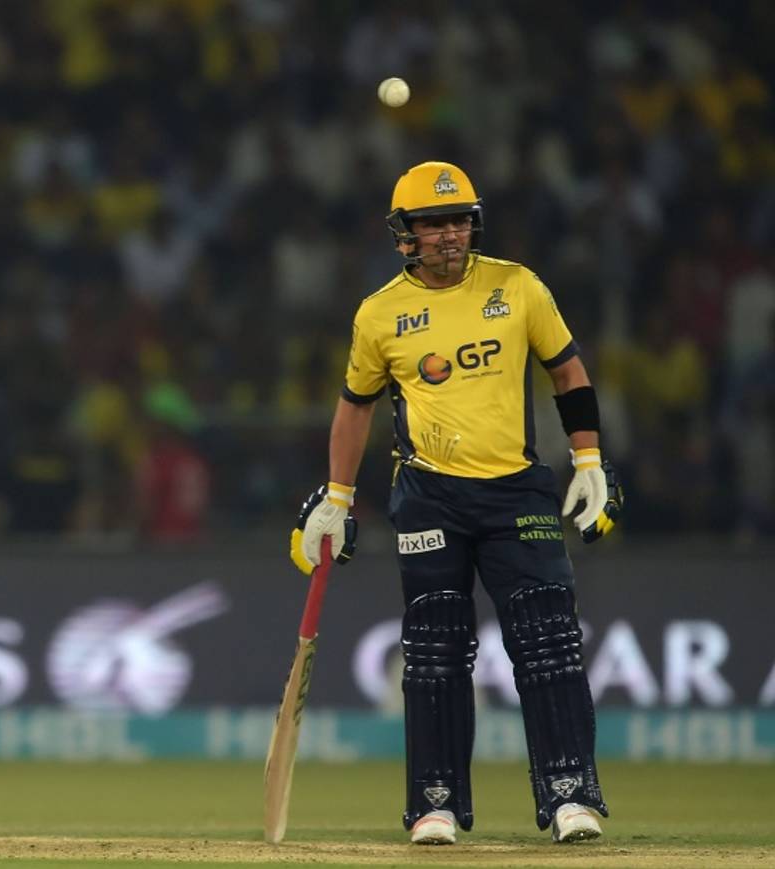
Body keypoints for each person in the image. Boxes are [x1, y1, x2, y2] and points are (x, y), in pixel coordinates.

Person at [289, 162, 622, 845]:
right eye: (433, 223)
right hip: (430, 494)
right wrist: (338, 498)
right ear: (404, 234)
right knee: (436, 651)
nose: (449, 233)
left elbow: (568, 371)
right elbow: (355, 410)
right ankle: (433, 803)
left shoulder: (517, 285)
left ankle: (569, 794)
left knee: (548, 641)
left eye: (459, 219)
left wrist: (587, 457)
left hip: (517, 490)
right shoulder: (381, 313)